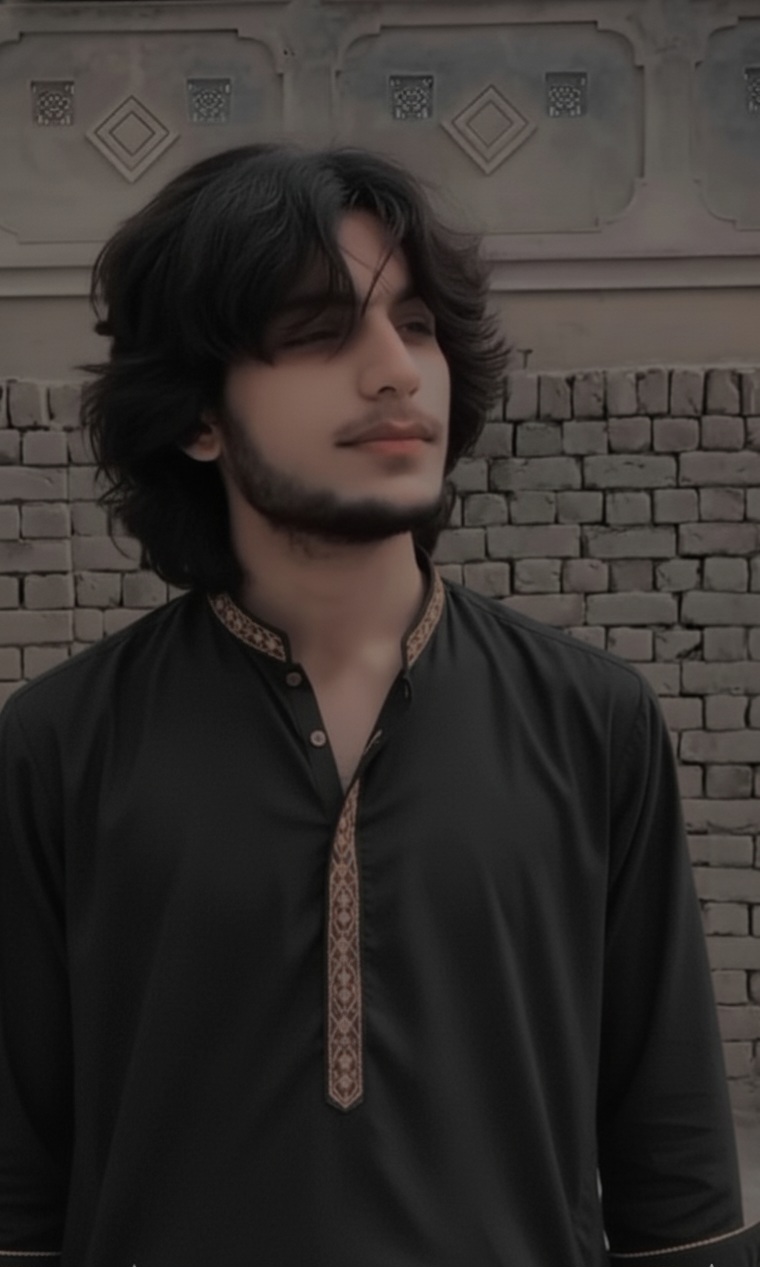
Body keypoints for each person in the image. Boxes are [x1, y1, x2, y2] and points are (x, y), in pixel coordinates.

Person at [0, 143, 755, 1267]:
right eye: (319, 332)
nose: (397, 372)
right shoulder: (60, 746)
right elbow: (16, 1187)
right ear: (199, 414)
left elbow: (675, 1168)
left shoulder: (591, 720)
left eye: (416, 325)